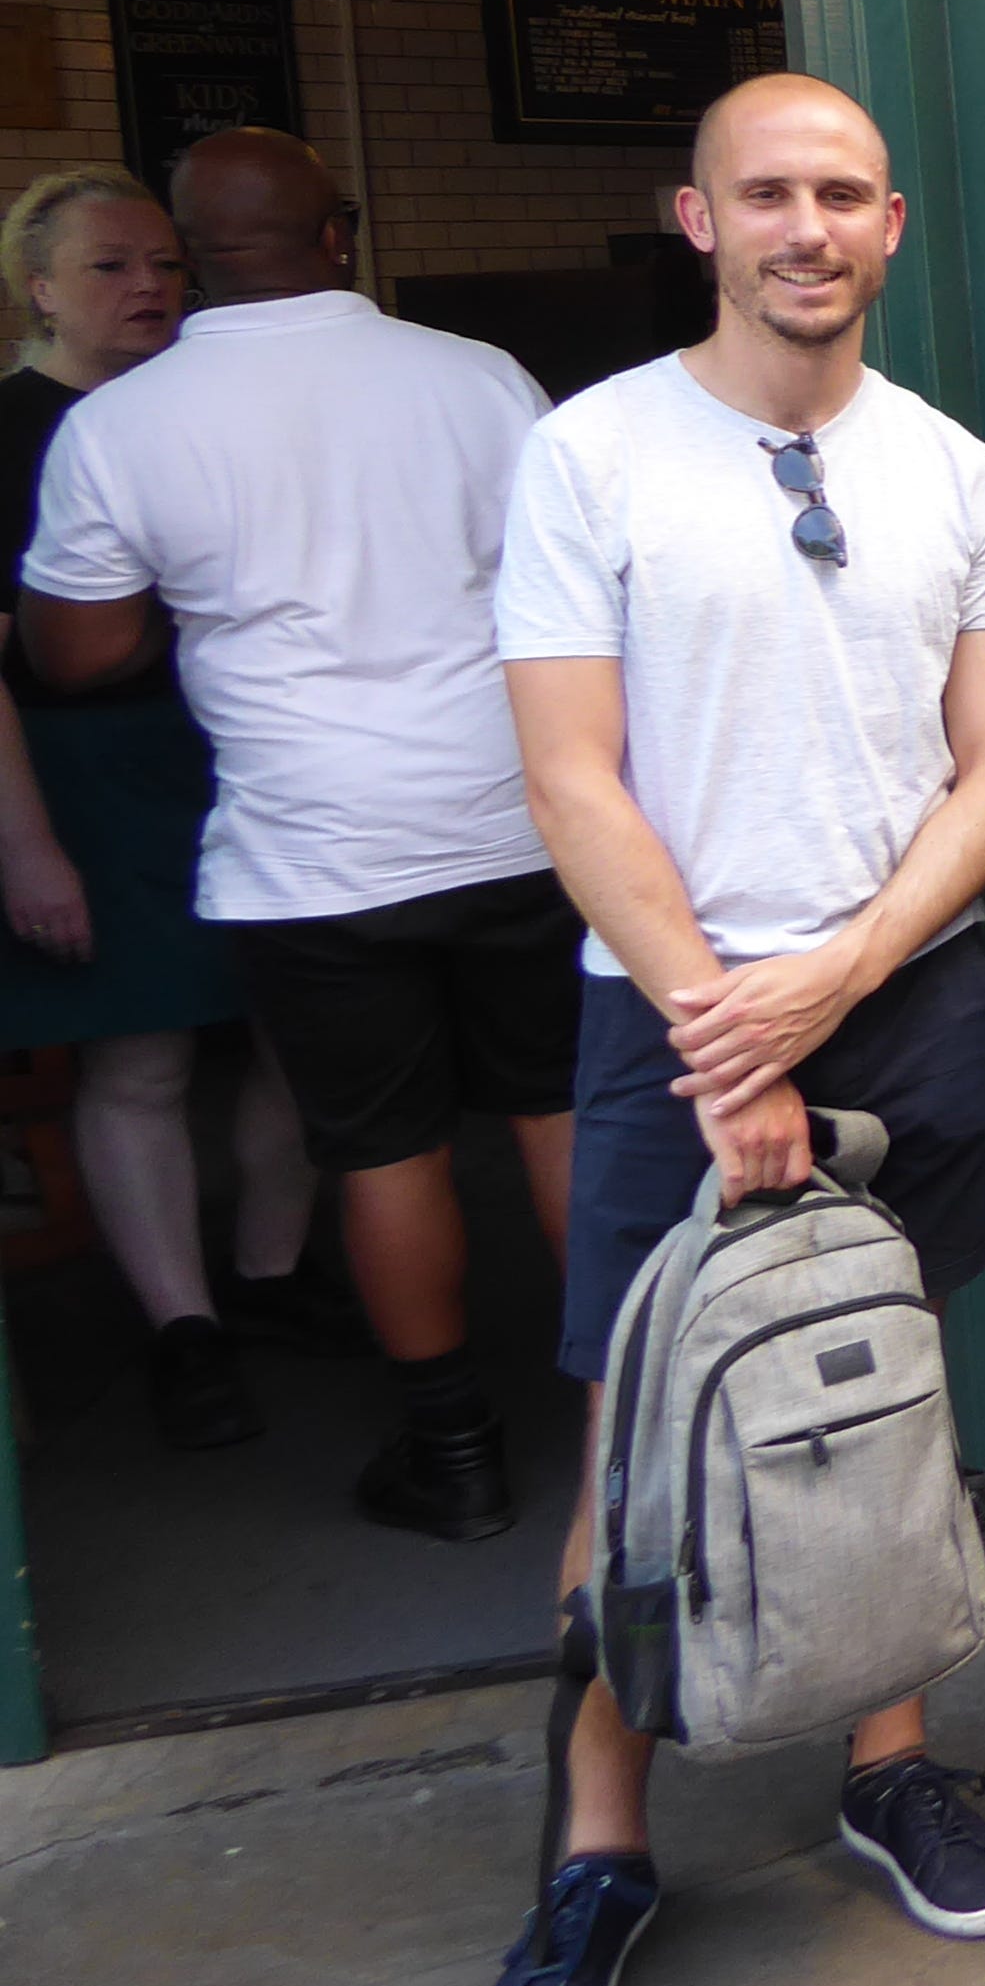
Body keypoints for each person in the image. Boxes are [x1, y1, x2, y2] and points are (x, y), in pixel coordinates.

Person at [466, 74, 985, 1986]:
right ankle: (597, 1852)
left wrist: (841, 980)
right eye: (764, 194)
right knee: (638, 1436)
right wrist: (729, 1026)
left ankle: (890, 1773)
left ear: (892, 224)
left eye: (840, 195)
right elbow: (571, 776)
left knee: (884, 1404)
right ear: (695, 218)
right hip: (671, 1013)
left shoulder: (954, 470)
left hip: (900, 992)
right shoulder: (591, 455)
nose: (806, 227)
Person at [23, 128, 577, 1541]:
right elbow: (578, 586)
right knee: (566, 1117)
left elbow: (75, 654)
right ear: (339, 234)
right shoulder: (477, 378)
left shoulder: (120, 426)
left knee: (384, 1153)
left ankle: (452, 1457)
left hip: (310, 854)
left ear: (194, 254)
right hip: (517, 820)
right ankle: (639, 1433)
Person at [0, 167, 332, 1450]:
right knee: (141, 1057)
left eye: (165, 265)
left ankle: (271, 1278)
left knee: (295, 1029)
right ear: (38, 290)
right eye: (109, 267)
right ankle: (183, 1332)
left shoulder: (211, 408)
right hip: (86, 778)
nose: (149, 287)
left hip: (246, 757)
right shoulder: (11, 431)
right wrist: (28, 848)